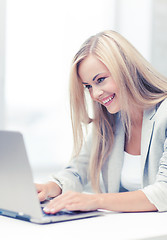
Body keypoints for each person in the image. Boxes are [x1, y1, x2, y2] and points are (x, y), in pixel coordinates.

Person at [36, 30, 167, 214]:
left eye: (101, 80)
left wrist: (95, 200)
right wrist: (51, 187)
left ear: (125, 68)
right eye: (88, 86)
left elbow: (164, 191)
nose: (95, 94)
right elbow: (77, 170)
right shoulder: (111, 121)